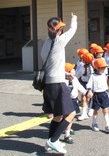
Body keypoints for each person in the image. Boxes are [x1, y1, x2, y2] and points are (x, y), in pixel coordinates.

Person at [41, 13, 77, 154]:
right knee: (71, 113)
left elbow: (51, 64)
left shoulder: (45, 44)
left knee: (57, 115)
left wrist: (65, 73)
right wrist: (74, 19)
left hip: (48, 84)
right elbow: (73, 30)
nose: (61, 30)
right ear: (56, 30)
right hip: (57, 84)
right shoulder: (59, 41)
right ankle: (54, 140)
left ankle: (49, 144)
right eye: (60, 28)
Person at [64, 62, 92, 144]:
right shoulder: (63, 81)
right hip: (66, 101)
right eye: (73, 69)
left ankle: (68, 129)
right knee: (67, 117)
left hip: (74, 100)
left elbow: (80, 87)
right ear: (68, 72)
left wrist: (86, 93)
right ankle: (67, 135)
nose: (74, 70)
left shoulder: (75, 79)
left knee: (71, 117)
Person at [86, 58, 109, 133]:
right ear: (97, 68)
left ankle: (107, 125)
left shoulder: (104, 74)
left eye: (105, 68)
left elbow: (106, 84)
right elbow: (89, 84)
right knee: (96, 111)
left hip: (104, 94)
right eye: (103, 68)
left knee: (105, 110)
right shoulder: (93, 76)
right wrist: (89, 90)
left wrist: (108, 93)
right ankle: (94, 123)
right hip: (96, 95)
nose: (104, 69)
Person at [76, 52, 94, 120]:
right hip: (89, 83)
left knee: (85, 98)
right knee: (87, 97)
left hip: (85, 83)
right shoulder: (93, 67)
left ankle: (86, 111)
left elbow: (77, 76)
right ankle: (88, 111)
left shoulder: (82, 67)